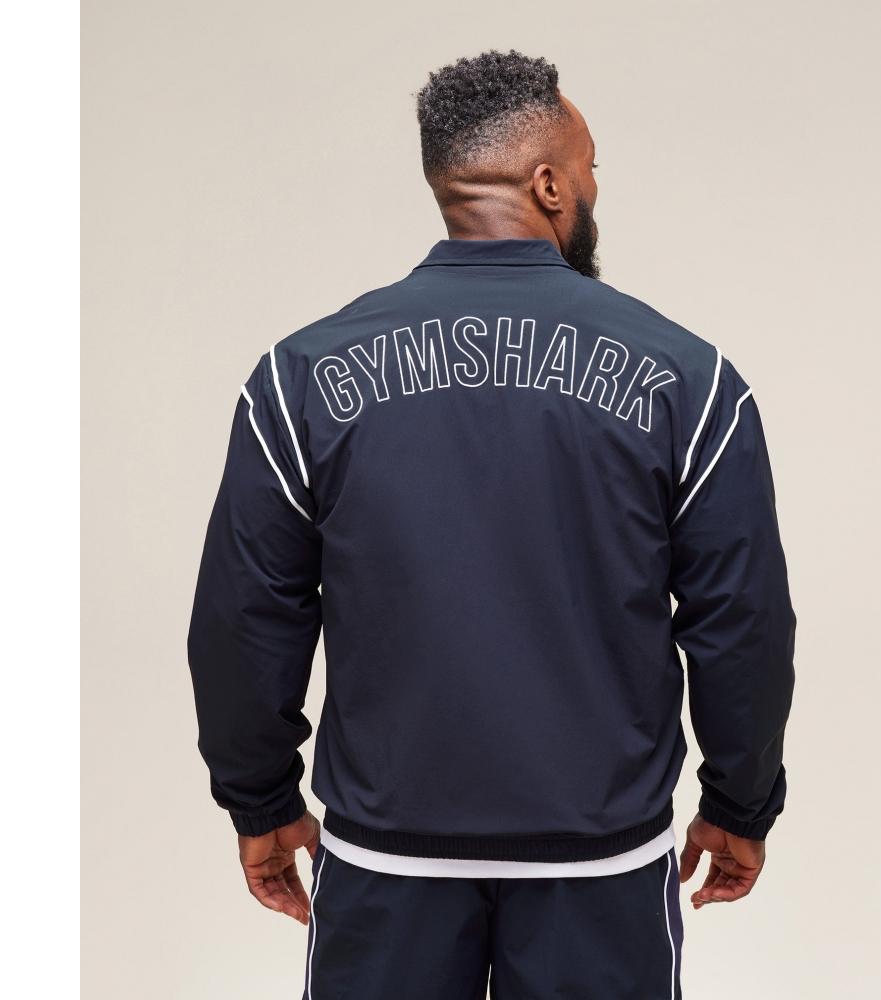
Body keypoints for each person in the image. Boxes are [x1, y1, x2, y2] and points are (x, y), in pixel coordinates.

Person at [188, 49, 795, 999]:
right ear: (548, 184)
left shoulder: (299, 379)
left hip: (386, 860)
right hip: (600, 864)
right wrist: (740, 801)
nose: (596, 186)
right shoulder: (690, 381)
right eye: (590, 166)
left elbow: (245, 617)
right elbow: (742, 621)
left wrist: (259, 801)